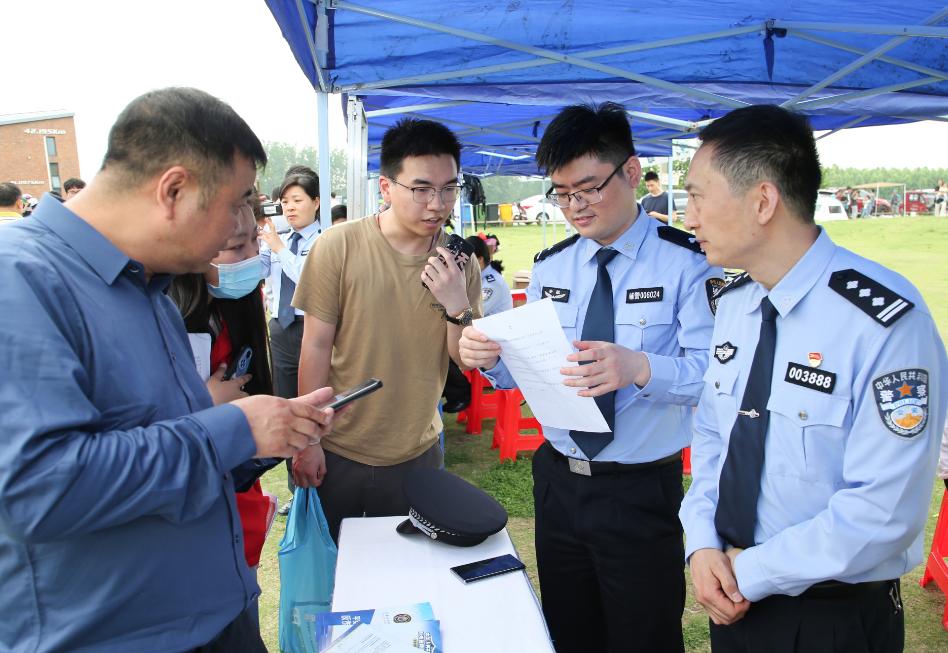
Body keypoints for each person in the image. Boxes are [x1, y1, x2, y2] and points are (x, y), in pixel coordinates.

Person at [0, 87, 337, 653]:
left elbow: (169, 449)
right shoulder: (21, 281)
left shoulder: (150, 288)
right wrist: (235, 428)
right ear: (174, 190)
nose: (240, 229)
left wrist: (268, 437)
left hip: (218, 617)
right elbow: (39, 488)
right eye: (236, 204)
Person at [678, 104, 947, 653]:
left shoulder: (883, 321)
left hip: (831, 617)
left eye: (698, 197)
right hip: (732, 598)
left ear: (763, 201)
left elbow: (884, 511)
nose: (689, 218)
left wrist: (751, 571)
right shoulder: (736, 302)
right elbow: (713, 440)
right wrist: (702, 543)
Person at [459, 102, 722, 653]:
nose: (575, 206)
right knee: (568, 630)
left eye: (588, 189)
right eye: (561, 194)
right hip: (558, 481)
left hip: (638, 488)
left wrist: (641, 367)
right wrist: (492, 359)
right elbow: (533, 371)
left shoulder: (689, 263)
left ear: (631, 172)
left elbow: (717, 377)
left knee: (644, 637)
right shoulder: (552, 265)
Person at [291, 117, 483, 542]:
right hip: (340, 448)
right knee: (337, 570)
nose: (437, 204)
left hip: (419, 451)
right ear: (386, 188)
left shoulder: (458, 261)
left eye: (449, 188)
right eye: (422, 189)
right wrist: (308, 440)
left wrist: (457, 304)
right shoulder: (338, 246)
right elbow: (316, 346)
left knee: (410, 571)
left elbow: (464, 358)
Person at [167, 201, 278, 628]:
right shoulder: (166, 317)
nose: (252, 256)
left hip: (235, 493)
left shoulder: (234, 306)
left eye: (254, 241)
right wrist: (205, 404)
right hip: (190, 518)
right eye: (236, 246)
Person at [258, 171, 323, 514]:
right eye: (285, 202)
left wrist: (279, 248)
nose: (290, 208)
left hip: (312, 328)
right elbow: (257, 275)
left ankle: (322, 482)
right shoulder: (276, 238)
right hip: (281, 328)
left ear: (316, 202)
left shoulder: (324, 240)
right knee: (286, 406)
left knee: (316, 403)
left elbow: (306, 281)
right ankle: (295, 490)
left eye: (298, 200)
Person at [466, 234, 513, 316]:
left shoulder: (492, 285)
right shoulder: (477, 278)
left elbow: (470, 315)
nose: (463, 264)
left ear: (479, 259)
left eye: (467, 259)